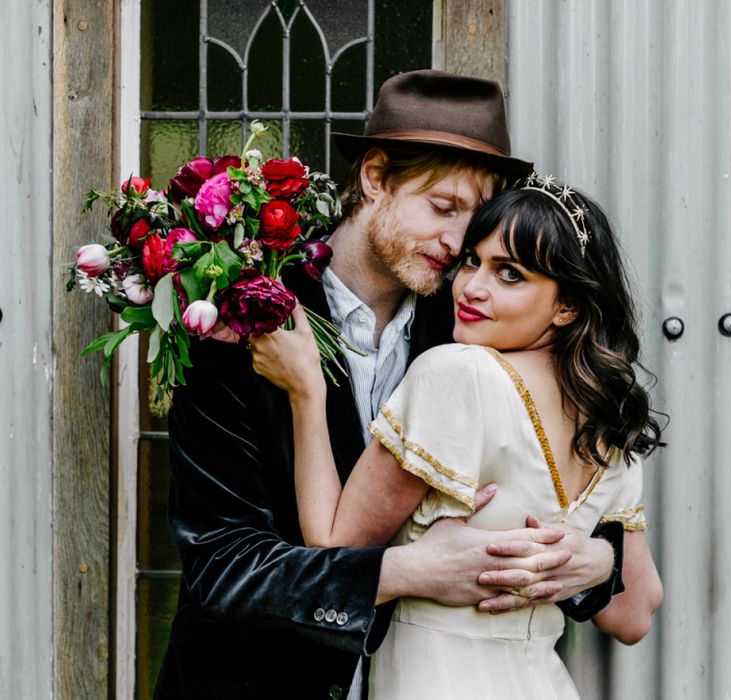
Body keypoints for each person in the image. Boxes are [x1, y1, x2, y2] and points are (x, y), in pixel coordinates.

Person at [154, 71, 624, 700]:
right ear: (374, 177)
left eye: (475, 219)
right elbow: (223, 567)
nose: (460, 244)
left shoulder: (468, 330)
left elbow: (546, 485)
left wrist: (597, 566)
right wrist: (405, 571)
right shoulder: (247, 321)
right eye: (443, 208)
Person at [250, 179, 665, 698]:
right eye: (472, 260)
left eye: (510, 274)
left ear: (568, 307)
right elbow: (634, 615)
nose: (471, 287)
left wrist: (306, 392)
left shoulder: (457, 373)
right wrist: (596, 560)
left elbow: (335, 549)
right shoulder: (609, 420)